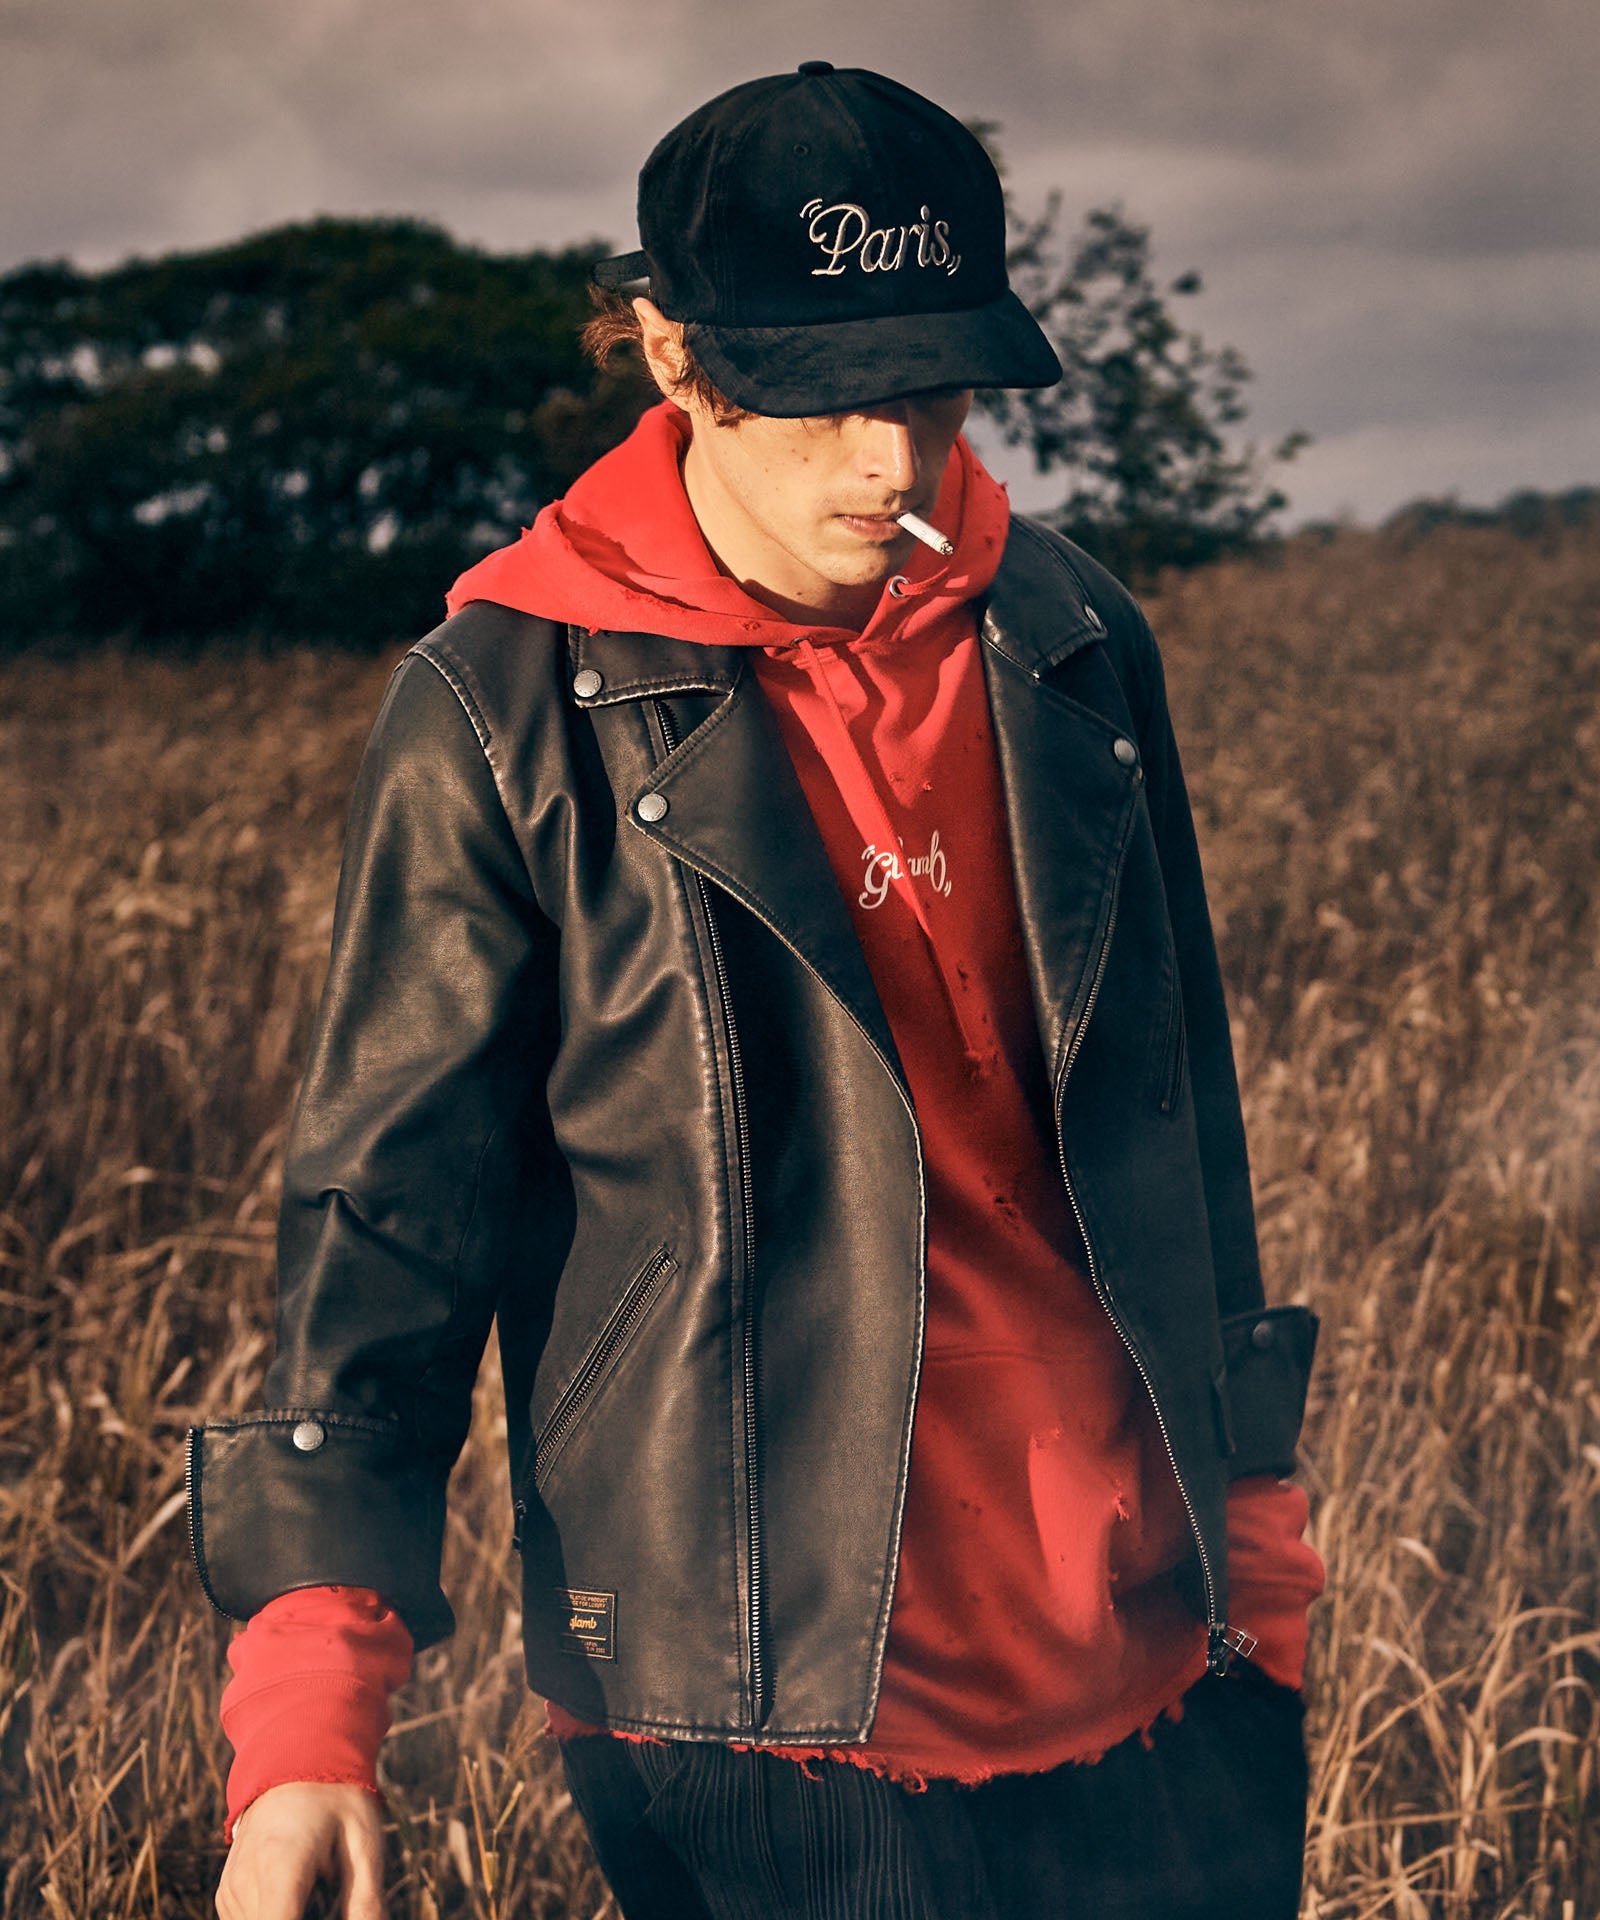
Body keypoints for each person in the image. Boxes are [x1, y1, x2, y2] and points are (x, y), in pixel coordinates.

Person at [190, 62, 1325, 1920]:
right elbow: (383, 1230)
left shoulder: (1072, 639)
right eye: (828, 398)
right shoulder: (500, 707)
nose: (894, 464)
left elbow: (1183, 1120)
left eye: (936, 388)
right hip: (755, 1718)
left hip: (1162, 1678)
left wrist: (1260, 1560)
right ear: (670, 353)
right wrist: (310, 1724)